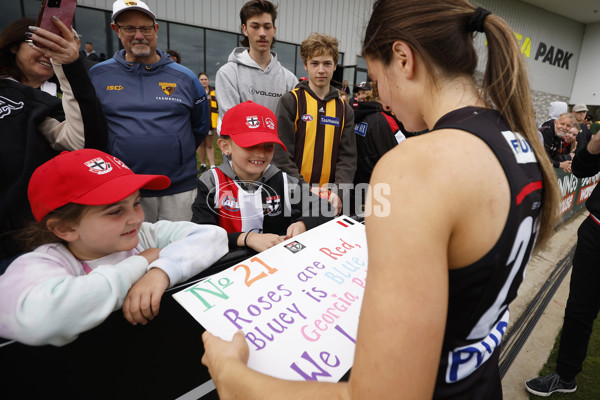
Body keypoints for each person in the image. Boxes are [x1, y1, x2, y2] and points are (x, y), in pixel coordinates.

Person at [200, 1, 560, 399]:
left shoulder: (417, 164)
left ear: (403, 59)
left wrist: (231, 374)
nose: (383, 100)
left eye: (376, 77)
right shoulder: (521, 143)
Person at [0, 149, 228, 346]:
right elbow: (39, 318)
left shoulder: (144, 235)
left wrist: (161, 271)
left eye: (136, 203)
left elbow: (213, 235)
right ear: (65, 228)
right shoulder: (42, 264)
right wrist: (141, 263)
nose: (137, 218)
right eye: (115, 211)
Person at [0, 17, 107, 273]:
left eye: (57, 45)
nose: (48, 52)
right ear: (14, 46)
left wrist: (69, 65)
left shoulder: (45, 103)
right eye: (39, 42)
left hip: (27, 242)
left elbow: (85, 144)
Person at [89, 0, 209, 222]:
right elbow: (90, 127)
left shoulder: (185, 77)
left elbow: (199, 126)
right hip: (123, 190)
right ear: (116, 29)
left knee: (180, 251)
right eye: (129, 28)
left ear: (156, 29)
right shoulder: (97, 75)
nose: (139, 35)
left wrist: (177, 149)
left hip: (178, 189)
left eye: (145, 28)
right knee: (132, 254)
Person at [191, 101, 330, 253]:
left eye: (268, 146)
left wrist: (303, 224)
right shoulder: (211, 182)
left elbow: (326, 208)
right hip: (228, 269)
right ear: (225, 146)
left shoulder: (284, 181)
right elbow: (201, 236)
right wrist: (246, 238)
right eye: (250, 145)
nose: (261, 154)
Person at [525, 121, 600, 397]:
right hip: (596, 231)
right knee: (580, 310)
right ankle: (566, 376)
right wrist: (595, 143)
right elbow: (581, 169)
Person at [272, 32, 356, 215]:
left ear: (335, 65)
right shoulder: (291, 101)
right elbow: (281, 155)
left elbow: (347, 158)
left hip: (329, 201)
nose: (321, 70)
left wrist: (339, 192)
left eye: (327, 63)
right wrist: (304, 189)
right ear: (305, 65)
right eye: (315, 63)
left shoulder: (344, 109)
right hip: (294, 197)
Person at [215, 0, 297, 129]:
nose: (262, 33)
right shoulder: (228, 73)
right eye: (255, 26)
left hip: (277, 149)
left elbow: (291, 126)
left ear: (274, 30)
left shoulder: (290, 79)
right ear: (245, 29)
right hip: (241, 148)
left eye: (267, 27)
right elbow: (230, 124)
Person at [353, 85, 410, 191]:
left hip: (358, 184)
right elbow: (402, 154)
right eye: (359, 93)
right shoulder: (383, 119)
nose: (360, 96)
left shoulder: (358, 116)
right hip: (378, 186)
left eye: (363, 93)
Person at [197, 72, 217, 171]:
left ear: (208, 80)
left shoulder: (214, 92)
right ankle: (203, 165)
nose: (204, 81)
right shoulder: (195, 92)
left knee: (209, 145)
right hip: (199, 123)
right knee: (200, 145)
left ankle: (212, 166)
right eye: (201, 79)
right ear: (198, 81)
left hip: (210, 123)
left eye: (205, 79)